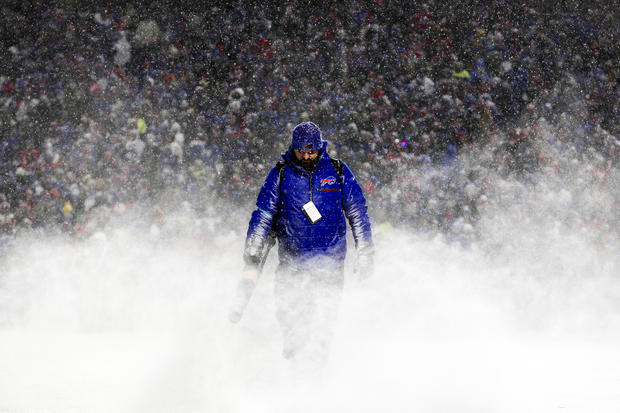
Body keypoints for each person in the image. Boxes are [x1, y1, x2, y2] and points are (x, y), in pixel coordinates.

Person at [230, 121, 374, 363]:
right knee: (289, 317)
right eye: (302, 151)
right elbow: (264, 212)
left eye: (312, 151)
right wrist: (254, 245)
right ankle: (293, 359)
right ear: (293, 148)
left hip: (330, 264)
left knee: (323, 323)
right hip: (292, 264)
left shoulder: (338, 171)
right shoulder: (281, 173)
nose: (307, 156)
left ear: (321, 148)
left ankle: (317, 369)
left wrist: (366, 252)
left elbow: (357, 212)